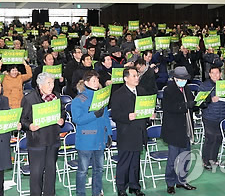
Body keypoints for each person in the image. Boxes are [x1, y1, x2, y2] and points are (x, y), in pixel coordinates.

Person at [21, 72, 66, 196]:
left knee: (51, 172)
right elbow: (22, 119)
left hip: (53, 139)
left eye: (52, 83)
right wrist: (29, 126)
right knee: (36, 173)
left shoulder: (56, 96)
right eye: (48, 83)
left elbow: (62, 111)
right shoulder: (29, 98)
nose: (51, 86)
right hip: (37, 142)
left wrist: (62, 119)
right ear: (40, 85)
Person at [110, 67, 151, 196]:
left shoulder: (142, 91)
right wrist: (127, 116)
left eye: (137, 75)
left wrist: (150, 114)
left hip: (139, 130)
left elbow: (145, 107)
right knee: (124, 162)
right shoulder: (118, 94)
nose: (136, 78)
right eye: (133, 76)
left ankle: (135, 186)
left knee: (135, 161)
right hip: (126, 132)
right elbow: (115, 114)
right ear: (126, 78)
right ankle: (121, 188)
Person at [71, 70, 112, 196]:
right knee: (83, 170)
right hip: (86, 140)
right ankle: (80, 193)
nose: (97, 83)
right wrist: (94, 114)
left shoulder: (101, 97)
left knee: (98, 169)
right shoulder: (79, 99)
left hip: (100, 138)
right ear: (86, 82)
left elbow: (105, 117)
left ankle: (97, 192)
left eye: (97, 80)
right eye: (94, 81)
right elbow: (77, 119)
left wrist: (109, 133)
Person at [161, 67, 197, 194]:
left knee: (185, 157)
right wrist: (187, 105)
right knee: (172, 159)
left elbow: (192, 103)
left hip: (186, 128)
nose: (183, 81)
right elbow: (170, 108)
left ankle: (182, 181)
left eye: (185, 79)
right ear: (175, 78)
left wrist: (200, 103)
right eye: (181, 79)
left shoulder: (186, 89)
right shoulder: (169, 90)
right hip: (173, 130)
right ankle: (170, 183)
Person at [200, 66, 225, 170]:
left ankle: (214, 159)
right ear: (210, 74)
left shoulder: (224, 84)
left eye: (217, 73)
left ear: (221, 74)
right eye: (213, 73)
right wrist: (210, 99)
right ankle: (206, 160)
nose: (215, 75)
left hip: (222, 115)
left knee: (218, 138)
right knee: (210, 138)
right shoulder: (205, 85)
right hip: (209, 115)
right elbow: (200, 101)